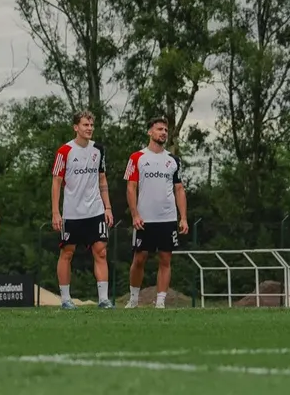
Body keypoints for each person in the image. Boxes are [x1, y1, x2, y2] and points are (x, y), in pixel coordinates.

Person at [123, 116, 189, 309]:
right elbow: (130, 188)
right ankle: (134, 299)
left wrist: (183, 217)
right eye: (159, 129)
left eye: (165, 130)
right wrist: (135, 214)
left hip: (167, 219)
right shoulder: (137, 158)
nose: (163, 133)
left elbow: (179, 189)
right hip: (145, 218)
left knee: (166, 258)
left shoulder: (173, 160)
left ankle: (160, 301)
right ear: (150, 132)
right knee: (140, 258)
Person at [51, 110, 114, 309]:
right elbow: (56, 182)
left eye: (91, 125)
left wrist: (108, 207)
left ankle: (103, 299)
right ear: (76, 127)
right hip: (72, 213)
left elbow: (102, 178)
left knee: (101, 252)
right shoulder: (65, 152)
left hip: (95, 211)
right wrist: (55, 212)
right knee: (67, 253)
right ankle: (66, 299)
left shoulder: (98, 150)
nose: (89, 129)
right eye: (85, 125)